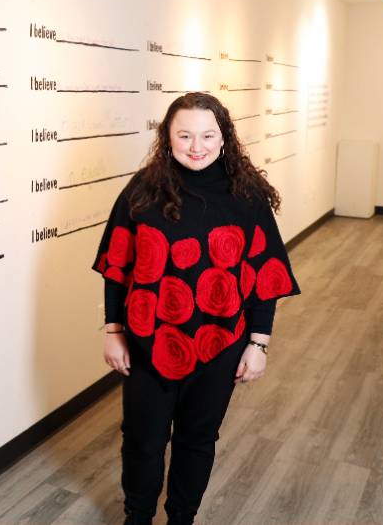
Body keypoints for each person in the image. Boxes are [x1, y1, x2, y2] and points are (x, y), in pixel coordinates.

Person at [92, 92, 300, 525]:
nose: (196, 146)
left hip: (220, 342)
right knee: (142, 440)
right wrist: (114, 331)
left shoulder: (246, 196)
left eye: (208, 135)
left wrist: (258, 343)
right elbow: (117, 265)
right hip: (148, 342)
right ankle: (138, 516)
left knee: (197, 439)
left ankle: (182, 517)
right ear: (167, 138)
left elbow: (265, 275)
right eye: (184, 135)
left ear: (224, 139)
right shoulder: (142, 191)